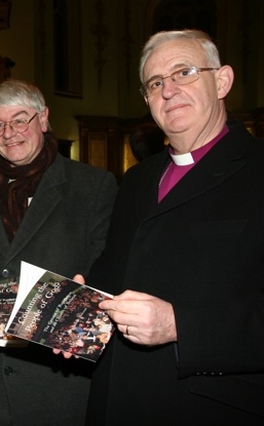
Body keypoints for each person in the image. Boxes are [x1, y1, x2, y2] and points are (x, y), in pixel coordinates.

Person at [80, 29, 264, 424]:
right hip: (117, 399)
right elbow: (115, 266)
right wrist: (83, 303)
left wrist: (180, 325)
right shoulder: (136, 180)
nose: (169, 90)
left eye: (184, 72)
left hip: (205, 403)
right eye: (155, 83)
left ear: (223, 80)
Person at [0, 79, 118, 425]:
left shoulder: (93, 186)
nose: (8, 132)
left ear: (43, 119)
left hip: (57, 376)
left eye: (19, 119)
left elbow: (109, 269)